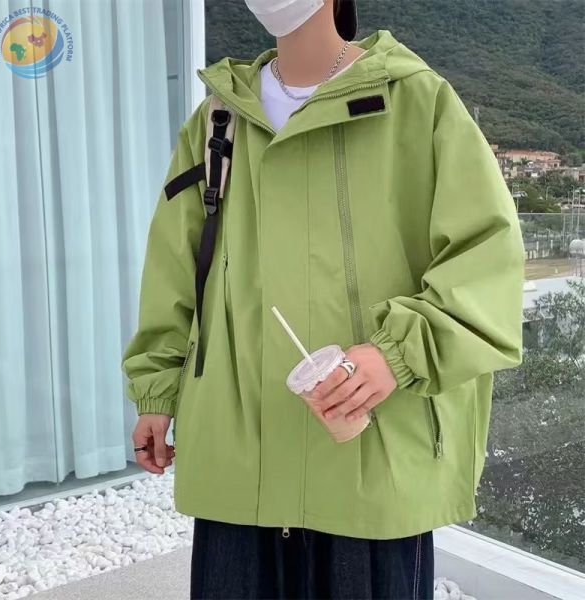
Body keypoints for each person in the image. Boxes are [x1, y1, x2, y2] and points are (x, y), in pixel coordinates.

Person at [121, 0, 525, 598]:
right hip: (239, 454)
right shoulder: (217, 120)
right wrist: (156, 389)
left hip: (375, 449)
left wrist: (396, 354)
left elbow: (486, 258)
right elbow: (176, 270)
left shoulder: (416, 100)